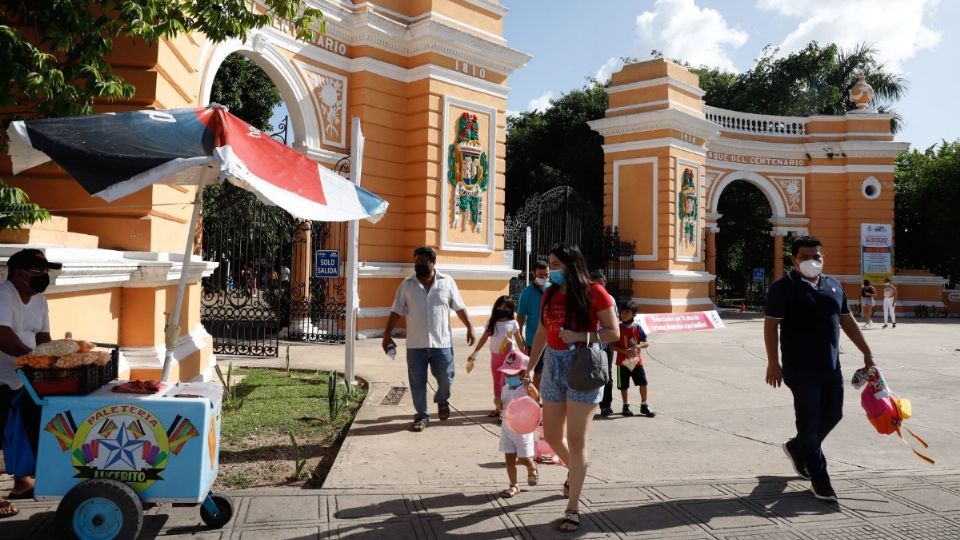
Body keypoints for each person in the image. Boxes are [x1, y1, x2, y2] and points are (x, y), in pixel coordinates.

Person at [764, 236, 875, 503]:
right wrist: (772, 362)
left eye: (817, 256)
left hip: (831, 366)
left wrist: (867, 352)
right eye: (805, 257)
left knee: (834, 415)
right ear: (794, 260)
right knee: (809, 423)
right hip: (799, 368)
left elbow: (847, 321)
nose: (812, 261)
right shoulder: (783, 288)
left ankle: (797, 447)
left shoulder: (834, 285)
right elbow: (770, 325)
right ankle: (820, 480)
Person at [528, 243, 619, 532]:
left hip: (583, 365)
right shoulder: (549, 293)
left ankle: (572, 507)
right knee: (553, 436)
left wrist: (582, 334)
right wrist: (531, 368)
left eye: (556, 264)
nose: (551, 270)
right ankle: (576, 470)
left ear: (572, 264)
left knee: (577, 440)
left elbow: (613, 332)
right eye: (550, 265)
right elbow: (542, 331)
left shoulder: (594, 292)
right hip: (554, 366)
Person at [383, 246, 476, 432]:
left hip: (442, 343)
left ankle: (442, 399)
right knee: (417, 383)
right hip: (416, 345)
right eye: (416, 262)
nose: (419, 266)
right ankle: (421, 416)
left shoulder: (447, 282)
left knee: (446, 378)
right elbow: (396, 312)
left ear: (433, 263)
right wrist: (387, 335)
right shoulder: (406, 285)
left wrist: (470, 327)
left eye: (423, 262)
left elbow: (459, 307)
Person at [1, 249, 61, 512]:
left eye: (46, 272)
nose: (44, 277)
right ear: (20, 274)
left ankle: (22, 482)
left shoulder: (39, 299)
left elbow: (43, 337)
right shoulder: (4, 296)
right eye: (38, 272)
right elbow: (2, 336)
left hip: (24, 377)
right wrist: (32, 358)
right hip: (2, 375)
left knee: (22, 428)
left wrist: (50, 359)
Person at [468, 296, 526, 421]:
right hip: (495, 358)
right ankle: (498, 407)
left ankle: (504, 410)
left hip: (509, 359)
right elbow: (483, 338)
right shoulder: (492, 322)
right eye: (499, 307)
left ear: (510, 310)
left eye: (505, 308)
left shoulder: (513, 323)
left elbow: (519, 339)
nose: (501, 309)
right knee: (496, 382)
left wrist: (525, 355)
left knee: (504, 383)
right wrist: (475, 353)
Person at [496, 351, 540, 498]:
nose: (508, 377)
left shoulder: (525, 389)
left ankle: (531, 467)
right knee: (509, 459)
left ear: (522, 374)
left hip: (522, 431)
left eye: (511, 374)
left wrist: (530, 386)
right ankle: (514, 485)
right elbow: (503, 407)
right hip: (507, 429)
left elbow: (537, 399)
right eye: (507, 374)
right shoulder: (505, 389)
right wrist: (498, 405)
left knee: (522, 458)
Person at [610, 301, 655, 418]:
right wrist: (625, 351)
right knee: (624, 385)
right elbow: (612, 345)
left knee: (643, 383)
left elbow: (646, 343)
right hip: (622, 363)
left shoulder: (637, 328)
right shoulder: (618, 328)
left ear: (634, 314)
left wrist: (638, 346)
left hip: (636, 361)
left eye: (627, 312)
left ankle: (644, 405)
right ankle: (626, 406)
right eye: (622, 311)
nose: (623, 314)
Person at [517, 261, 549, 395]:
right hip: (533, 340)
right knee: (535, 371)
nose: (544, 278)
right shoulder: (526, 293)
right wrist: (519, 336)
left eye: (546, 275)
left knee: (547, 372)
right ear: (533, 273)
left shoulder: (552, 289)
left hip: (552, 339)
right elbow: (520, 316)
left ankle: (541, 398)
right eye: (540, 275)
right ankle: (534, 400)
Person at [590, 270, 617, 417]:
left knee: (607, 375)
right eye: (595, 285)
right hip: (591, 345)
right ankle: (591, 403)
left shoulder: (610, 300)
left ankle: (606, 405)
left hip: (606, 345)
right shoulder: (587, 299)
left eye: (601, 285)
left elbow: (615, 324)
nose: (599, 288)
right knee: (591, 375)